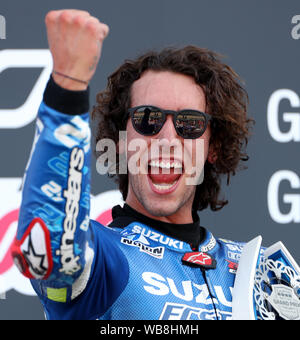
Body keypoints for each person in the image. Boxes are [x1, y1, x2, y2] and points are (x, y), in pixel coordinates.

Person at [12, 9, 253, 320]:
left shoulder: (259, 270)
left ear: (214, 147)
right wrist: (67, 87)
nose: (167, 139)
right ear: (121, 141)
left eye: (189, 124)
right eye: (147, 120)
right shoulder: (104, 260)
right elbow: (46, 247)